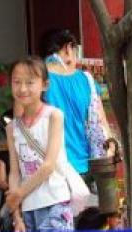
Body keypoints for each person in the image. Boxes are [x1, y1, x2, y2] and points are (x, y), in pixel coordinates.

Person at [5, 56, 74, 232]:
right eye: (17, 82)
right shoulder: (12, 128)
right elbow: (14, 172)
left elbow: (48, 166)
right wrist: (16, 216)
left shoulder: (54, 116)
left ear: (45, 85)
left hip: (55, 203)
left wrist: (18, 194)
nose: (22, 88)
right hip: (28, 209)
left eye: (30, 82)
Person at [42, 29, 112, 185]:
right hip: (86, 165)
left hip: (49, 168)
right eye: (75, 50)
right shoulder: (86, 80)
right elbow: (101, 122)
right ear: (68, 48)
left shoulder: (36, 78)